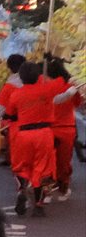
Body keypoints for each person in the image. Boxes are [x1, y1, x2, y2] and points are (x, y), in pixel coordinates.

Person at [0, 61, 59, 217]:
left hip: (23, 134)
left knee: (22, 166)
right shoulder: (47, 90)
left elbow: (9, 114)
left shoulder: (16, 94)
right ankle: (38, 204)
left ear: (21, 77)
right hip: (44, 133)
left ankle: (22, 189)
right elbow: (62, 88)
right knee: (41, 168)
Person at [46, 58, 80, 201]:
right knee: (64, 162)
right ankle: (63, 188)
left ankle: (46, 191)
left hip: (49, 129)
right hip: (67, 129)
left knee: (48, 161)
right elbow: (77, 103)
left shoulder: (46, 86)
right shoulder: (71, 86)